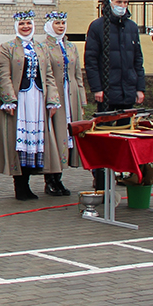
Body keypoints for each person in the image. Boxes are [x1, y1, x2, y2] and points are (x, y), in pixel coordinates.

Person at [0, 11, 61, 200]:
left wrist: (53, 100)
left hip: (37, 99)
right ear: (17, 26)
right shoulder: (8, 47)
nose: (26, 27)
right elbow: (3, 74)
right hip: (21, 100)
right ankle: (20, 185)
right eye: (22, 24)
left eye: (29, 24)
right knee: (19, 139)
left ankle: (30, 182)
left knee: (36, 141)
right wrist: (9, 98)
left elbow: (48, 74)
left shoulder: (40, 47)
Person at [84, 0, 145, 188]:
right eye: (119, 2)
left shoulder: (131, 27)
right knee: (105, 138)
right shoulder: (97, 27)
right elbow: (91, 60)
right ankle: (101, 179)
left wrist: (139, 87)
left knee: (126, 137)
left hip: (127, 91)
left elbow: (137, 59)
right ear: (110, 3)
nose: (122, 6)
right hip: (108, 94)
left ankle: (123, 175)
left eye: (125, 3)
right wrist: (97, 88)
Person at [38, 11, 86, 189]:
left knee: (68, 135)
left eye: (63, 23)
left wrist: (82, 99)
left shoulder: (71, 47)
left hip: (70, 94)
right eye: (57, 23)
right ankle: (51, 178)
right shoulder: (43, 47)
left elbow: (78, 74)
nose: (61, 26)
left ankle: (59, 177)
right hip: (55, 94)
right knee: (55, 135)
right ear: (50, 25)